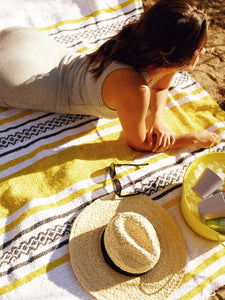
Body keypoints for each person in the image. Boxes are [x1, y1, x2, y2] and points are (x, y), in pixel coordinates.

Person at [0, 0, 219, 153]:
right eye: (199, 48)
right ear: (175, 55)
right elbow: (140, 142)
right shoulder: (134, 89)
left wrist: (158, 120)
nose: (204, 52)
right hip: (13, 75)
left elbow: (160, 88)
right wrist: (190, 139)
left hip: (26, 41)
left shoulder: (149, 50)